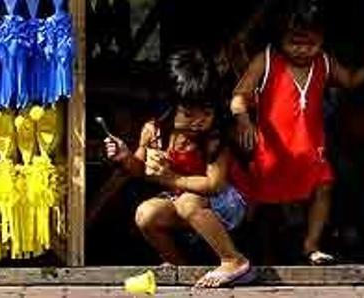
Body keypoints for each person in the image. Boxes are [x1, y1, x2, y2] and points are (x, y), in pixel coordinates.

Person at [230, 0, 364, 264]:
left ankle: (311, 245)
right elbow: (239, 96)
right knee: (260, 206)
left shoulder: (325, 63)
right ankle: (246, 250)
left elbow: (351, 81)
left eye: (311, 43)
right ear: (281, 37)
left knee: (324, 185)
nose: (303, 49)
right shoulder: (267, 60)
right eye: (295, 42)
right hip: (272, 152)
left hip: (309, 151)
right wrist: (244, 121)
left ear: (322, 39)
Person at [104, 50, 253, 288]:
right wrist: (124, 157)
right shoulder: (154, 131)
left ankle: (233, 260)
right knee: (146, 214)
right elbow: (140, 170)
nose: (199, 121)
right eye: (188, 113)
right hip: (185, 199)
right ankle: (181, 268)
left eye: (207, 113)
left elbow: (214, 185)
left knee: (187, 203)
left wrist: (171, 178)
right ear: (170, 107)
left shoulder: (214, 137)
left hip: (229, 202)